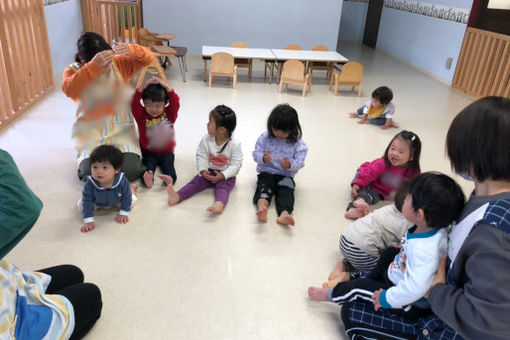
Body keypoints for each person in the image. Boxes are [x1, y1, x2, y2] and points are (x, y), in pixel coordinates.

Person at [341, 96, 510, 340]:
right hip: (436, 284)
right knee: (385, 265)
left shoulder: (494, 230)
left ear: (472, 154)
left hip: (446, 317)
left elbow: (488, 322)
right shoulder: (481, 195)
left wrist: (436, 291)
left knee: (354, 311)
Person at [309, 172, 465, 320]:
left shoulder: (424, 251)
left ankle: (330, 294)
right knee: (389, 253)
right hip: (399, 275)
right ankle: (369, 278)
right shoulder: (435, 228)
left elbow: (415, 289)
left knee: (358, 287)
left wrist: (386, 298)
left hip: (405, 301)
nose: (404, 198)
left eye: (409, 197)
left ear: (420, 214)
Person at [0, 149, 102, 339]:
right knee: (91, 295)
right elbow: (23, 208)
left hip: (10, 288)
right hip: (12, 326)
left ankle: (23, 298)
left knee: (73, 273)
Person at [62, 32, 153, 182]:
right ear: (85, 61)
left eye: (108, 60)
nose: (108, 66)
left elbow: (148, 57)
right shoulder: (74, 71)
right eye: (102, 64)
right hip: (91, 134)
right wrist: (93, 67)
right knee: (89, 173)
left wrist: (132, 49)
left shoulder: (119, 64)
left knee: (131, 170)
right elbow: (69, 89)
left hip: (120, 130)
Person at [324, 182, 411, 287]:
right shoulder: (407, 223)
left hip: (346, 238)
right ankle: (347, 277)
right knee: (379, 271)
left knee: (362, 258)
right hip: (362, 250)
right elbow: (404, 248)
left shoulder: (389, 208)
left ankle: (343, 265)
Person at [166, 105, 243, 214]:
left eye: (210, 122)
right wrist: (203, 170)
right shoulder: (206, 139)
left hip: (226, 175)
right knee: (195, 183)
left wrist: (223, 175)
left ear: (221, 130)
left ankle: (219, 204)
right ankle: (177, 196)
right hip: (208, 171)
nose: (207, 124)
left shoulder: (234, 144)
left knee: (223, 188)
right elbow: (201, 155)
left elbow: (236, 165)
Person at [252, 104, 308, 226]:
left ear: (293, 128)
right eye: (275, 129)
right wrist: (262, 158)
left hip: (286, 175)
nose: (279, 134)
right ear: (270, 125)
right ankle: (262, 208)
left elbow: (300, 161)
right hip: (267, 172)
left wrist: (290, 165)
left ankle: (284, 214)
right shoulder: (265, 137)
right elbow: (256, 153)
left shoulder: (298, 143)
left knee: (286, 192)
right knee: (263, 188)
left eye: (284, 131)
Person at [345, 130, 421, 219]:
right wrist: (358, 184)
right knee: (360, 190)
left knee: (372, 197)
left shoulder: (412, 170)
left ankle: (361, 204)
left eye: (401, 152)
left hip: (379, 190)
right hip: (366, 176)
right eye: (392, 148)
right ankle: (355, 207)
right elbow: (369, 172)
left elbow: (416, 184)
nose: (394, 153)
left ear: (412, 156)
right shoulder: (382, 163)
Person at [131, 76, 180, 188]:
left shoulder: (169, 114)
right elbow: (134, 103)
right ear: (143, 103)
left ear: (165, 103)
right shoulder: (141, 115)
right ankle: (148, 181)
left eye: (158, 106)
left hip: (167, 152)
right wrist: (141, 88)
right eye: (148, 105)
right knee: (147, 169)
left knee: (169, 167)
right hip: (148, 153)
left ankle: (170, 179)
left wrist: (167, 87)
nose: (153, 109)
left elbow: (175, 102)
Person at [79, 145, 137, 233]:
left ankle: (132, 189)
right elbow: (87, 200)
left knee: (132, 200)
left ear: (117, 169)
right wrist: (88, 220)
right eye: (95, 167)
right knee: (81, 204)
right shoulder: (90, 183)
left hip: (117, 200)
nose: (99, 171)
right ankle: (130, 189)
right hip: (97, 202)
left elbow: (126, 196)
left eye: (105, 167)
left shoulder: (122, 180)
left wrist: (124, 213)